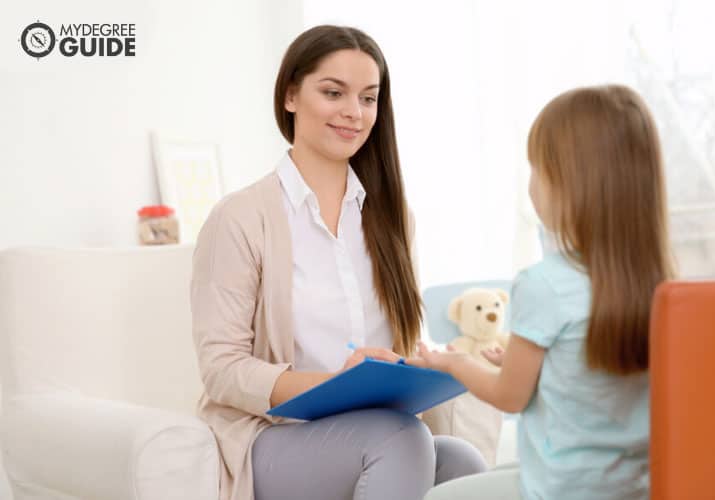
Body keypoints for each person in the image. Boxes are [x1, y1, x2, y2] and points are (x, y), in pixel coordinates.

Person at [190, 25, 486, 500]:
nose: (354, 112)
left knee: (463, 463)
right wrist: (333, 385)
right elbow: (221, 370)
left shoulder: (392, 220)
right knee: (403, 441)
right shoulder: (241, 217)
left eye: (369, 99)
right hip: (272, 438)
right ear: (290, 96)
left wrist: (432, 365)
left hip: (374, 430)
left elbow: (400, 342)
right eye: (333, 93)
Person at [409, 84, 676, 500]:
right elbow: (591, 384)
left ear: (569, 183)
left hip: (561, 490)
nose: (531, 183)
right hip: (636, 488)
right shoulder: (659, 284)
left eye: (536, 168)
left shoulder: (543, 283)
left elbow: (508, 396)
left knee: (438, 497)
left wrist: (454, 362)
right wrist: (525, 364)